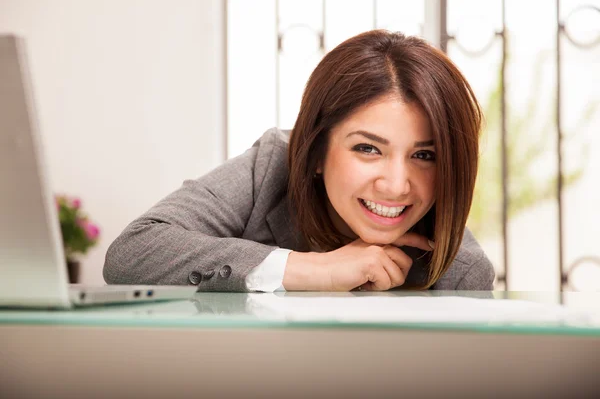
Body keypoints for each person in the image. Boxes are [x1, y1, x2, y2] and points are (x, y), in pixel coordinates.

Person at [103, 30, 495, 292]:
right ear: (316, 151)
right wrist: (314, 270)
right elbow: (133, 253)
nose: (395, 185)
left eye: (424, 155)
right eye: (368, 148)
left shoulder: (463, 273)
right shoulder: (272, 166)